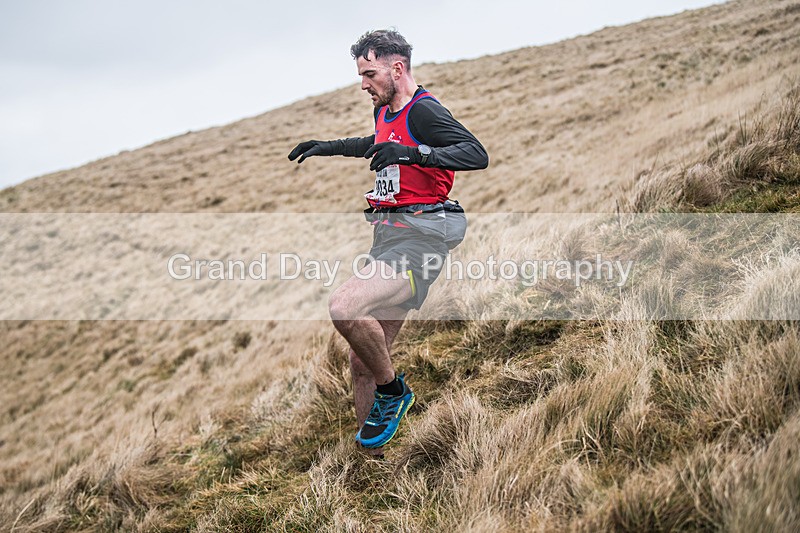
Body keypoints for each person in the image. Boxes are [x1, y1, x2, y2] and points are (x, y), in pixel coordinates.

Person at [288, 29, 488, 457]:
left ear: (396, 68)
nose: (363, 84)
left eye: (369, 73)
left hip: (419, 241)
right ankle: (372, 465)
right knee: (362, 361)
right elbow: (377, 144)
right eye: (361, 75)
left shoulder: (425, 111)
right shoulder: (385, 109)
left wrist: (418, 155)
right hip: (388, 239)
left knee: (343, 307)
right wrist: (327, 147)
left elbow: (475, 153)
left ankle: (395, 392)